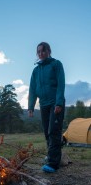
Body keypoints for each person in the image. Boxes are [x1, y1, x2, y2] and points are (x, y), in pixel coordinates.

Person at [28, 42, 65, 173]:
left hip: (55, 102)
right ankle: (52, 156)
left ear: (49, 51)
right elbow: (32, 89)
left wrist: (59, 103)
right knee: (47, 133)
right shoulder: (36, 70)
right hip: (43, 104)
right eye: (38, 52)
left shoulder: (56, 64)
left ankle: (53, 164)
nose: (40, 54)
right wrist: (31, 106)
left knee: (53, 131)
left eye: (43, 51)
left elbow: (61, 84)